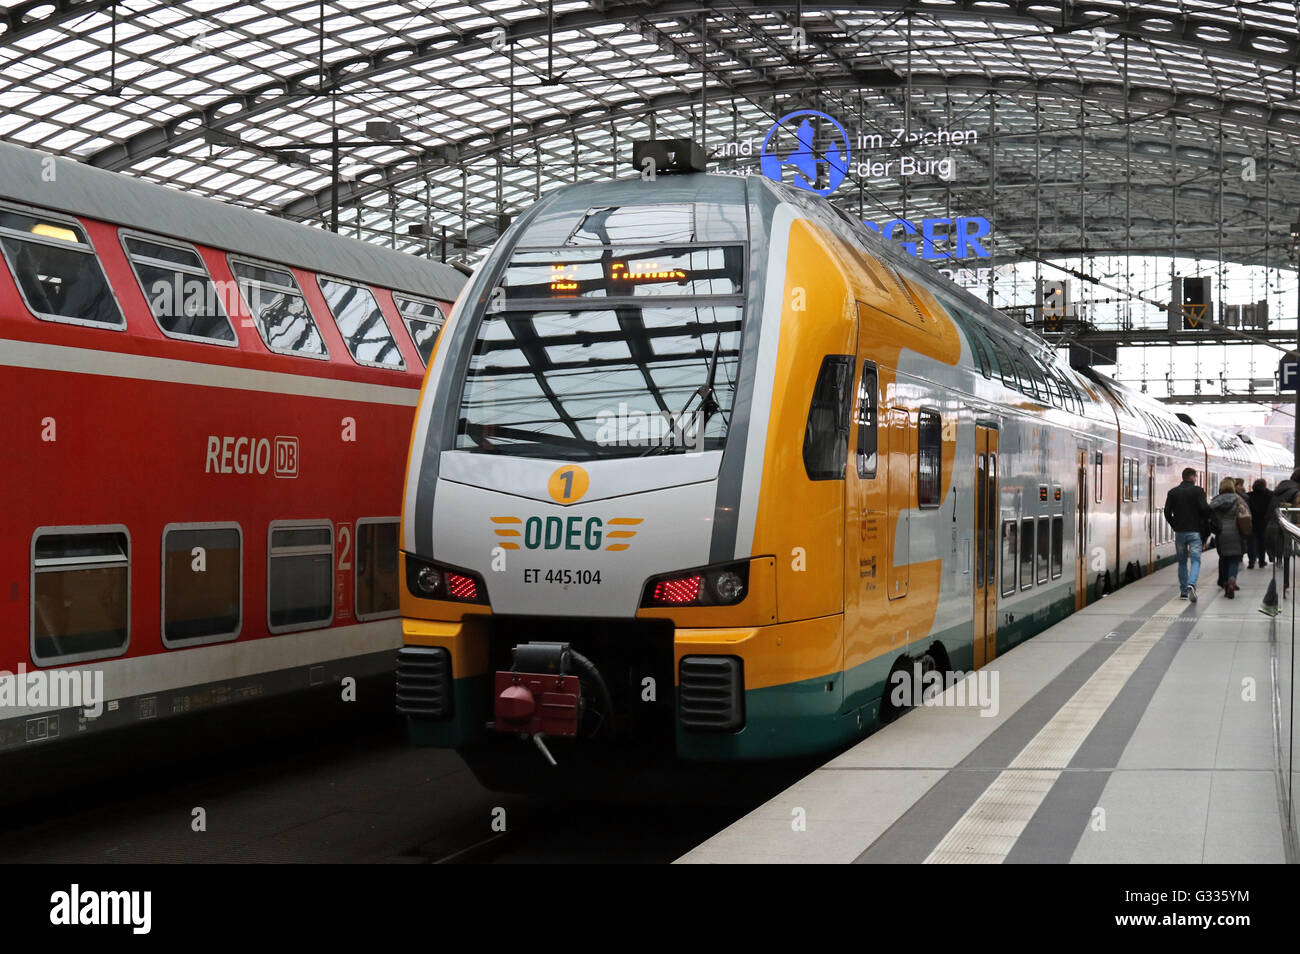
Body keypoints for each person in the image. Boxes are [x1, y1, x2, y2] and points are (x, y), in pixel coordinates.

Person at [1164, 467, 1212, 602]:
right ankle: (1192, 584)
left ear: (1183, 477)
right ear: (1192, 477)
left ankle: (1184, 591)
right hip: (1195, 532)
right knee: (1196, 560)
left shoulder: (1172, 492)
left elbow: (1167, 512)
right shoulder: (1198, 491)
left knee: (1182, 562)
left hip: (1180, 533)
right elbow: (1204, 509)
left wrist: (1175, 525)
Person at [1210, 477, 1250, 598]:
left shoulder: (1215, 501)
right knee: (1234, 559)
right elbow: (1247, 515)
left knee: (1224, 558)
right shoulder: (1239, 500)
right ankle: (1232, 581)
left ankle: (1225, 582)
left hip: (1221, 534)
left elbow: (1208, 517)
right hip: (1236, 533)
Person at [1248, 478, 1276, 569]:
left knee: (1251, 542)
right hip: (1264, 522)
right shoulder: (1269, 495)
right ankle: (1261, 561)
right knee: (1262, 542)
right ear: (1264, 486)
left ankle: (1251, 562)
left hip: (1252, 522)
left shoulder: (1249, 496)